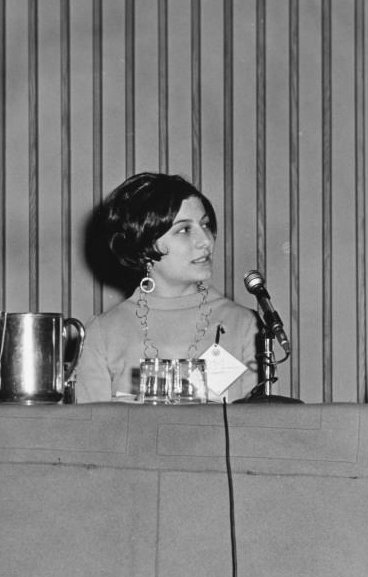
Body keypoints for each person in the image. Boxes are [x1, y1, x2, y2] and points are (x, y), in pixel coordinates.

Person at [74, 172, 261, 403]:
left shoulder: (244, 325)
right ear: (144, 243)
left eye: (205, 225)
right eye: (184, 230)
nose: (205, 240)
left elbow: (256, 430)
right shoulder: (102, 333)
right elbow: (90, 432)